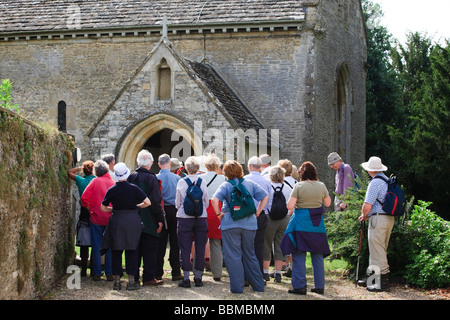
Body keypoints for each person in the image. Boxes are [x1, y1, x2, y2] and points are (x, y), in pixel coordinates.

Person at [211, 160, 268, 294]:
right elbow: (265, 196)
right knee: (250, 254)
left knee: (233, 256)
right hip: (249, 224)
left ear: (226, 172)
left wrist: (219, 214)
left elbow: (214, 200)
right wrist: (258, 212)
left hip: (230, 224)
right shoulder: (249, 183)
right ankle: (258, 285)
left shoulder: (225, 185)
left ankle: (237, 288)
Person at [281, 161, 331, 295]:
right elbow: (327, 203)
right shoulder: (321, 186)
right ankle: (319, 286)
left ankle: (299, 286)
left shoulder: (299, 186)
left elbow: (290, 206)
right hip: (317, 225)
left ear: (301, 174)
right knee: (317, 255)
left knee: (298, 254)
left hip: (301, 224)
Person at [100, 162, 151, 291]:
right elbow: (148, 202)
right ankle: (131, 281)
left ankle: (117, 282)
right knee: (132, 250)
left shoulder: (112, 189)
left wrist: (115, 210)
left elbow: (103, 207)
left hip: (117, 221)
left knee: (116, 250)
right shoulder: (134, 188)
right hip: (132, 221)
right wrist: (136, 207)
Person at [127, 150, 164, 286]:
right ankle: (148, 277)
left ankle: (134, 277)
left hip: (133, 218)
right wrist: (160, 219)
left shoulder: (131, 177)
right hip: (149, 220)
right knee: (150, 250)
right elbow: (155, 201)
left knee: (134, 249)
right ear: (152, 163)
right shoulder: (152, 178)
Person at [357, 156, 393, 292]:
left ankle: (382, 283)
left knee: (377, 251)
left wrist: (364, 215)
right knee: (378, 249)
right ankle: (372, 280)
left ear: (370, 170)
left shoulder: (375, 182)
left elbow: (367, 205)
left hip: (378, 219)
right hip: (389, 218)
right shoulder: (386, 180)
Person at [175, 156, 209, 288]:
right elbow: (205, 201)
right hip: (201, 217)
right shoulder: (203, 181)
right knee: (200, 246)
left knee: (185, 247)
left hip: (184, 218)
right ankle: (199, 276)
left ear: (187, 169)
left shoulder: (182, 182)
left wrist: (183, 209)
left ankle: (186, 278)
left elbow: (178, 202)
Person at [80, 160, 115, 281]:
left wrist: (90, 207)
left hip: (96, 217)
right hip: (110, 218)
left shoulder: (95, 181)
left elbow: (84, 198)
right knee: (110, 246)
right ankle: (109, 273)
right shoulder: (112, 182)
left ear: (96, 171)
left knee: (96, 246)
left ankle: (97, 272)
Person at [156, 154, 183, 281]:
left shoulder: (155, 178)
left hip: (161, 211)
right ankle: (176, 272)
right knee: (175, 242)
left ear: (159, 164)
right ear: (170, 164)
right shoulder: (177, 178)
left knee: (160, 243)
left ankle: (158, 272)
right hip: (174, 210)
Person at [263, 165, 293, 283]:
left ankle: (265, 272)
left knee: (267, 244)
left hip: (269, 217)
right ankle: (278, 273)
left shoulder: (267, 187)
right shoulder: (288, 188)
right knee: (280, 246)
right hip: (284, 218)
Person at [199, 154, 226, 281]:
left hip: (203, 211)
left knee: (200, 242)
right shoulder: (222, 179)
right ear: (217, 166)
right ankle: (217, 273)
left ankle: (198, 271)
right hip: (217, 211)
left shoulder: (200, 178)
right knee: (216, 244)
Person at [243, 156, 271, 276]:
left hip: (246, 215)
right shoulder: (266, 181)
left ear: (249, 167)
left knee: (246, 246)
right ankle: (259, 274)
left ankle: (246, 275)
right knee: (259, 246)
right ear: (260, 167)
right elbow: (270, 201)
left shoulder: (243, 180)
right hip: (261, 215)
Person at [68, 160, 95, 277]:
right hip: (95, 211)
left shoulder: (81, 180)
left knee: (84, 243)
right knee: (95, 241)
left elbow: (69, 172)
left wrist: (79, 168)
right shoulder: (96, 180)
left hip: (84, 212)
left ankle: (83, 270)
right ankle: (94, 270)